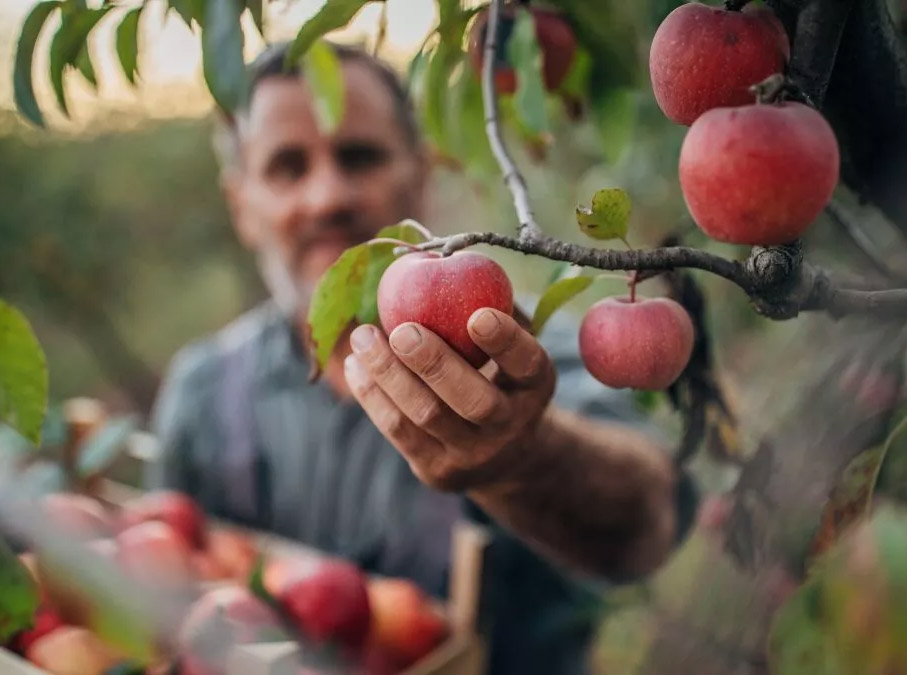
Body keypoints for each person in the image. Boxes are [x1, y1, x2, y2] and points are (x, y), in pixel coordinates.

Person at [149, 41, 694, 674]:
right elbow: (167, 590)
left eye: (360, 156)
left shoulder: (524, 346)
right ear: (242, 205)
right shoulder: (203, 393)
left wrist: (528, 457)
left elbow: (651, 525)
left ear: (422, 175)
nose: (327, 196)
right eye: (287, 167)